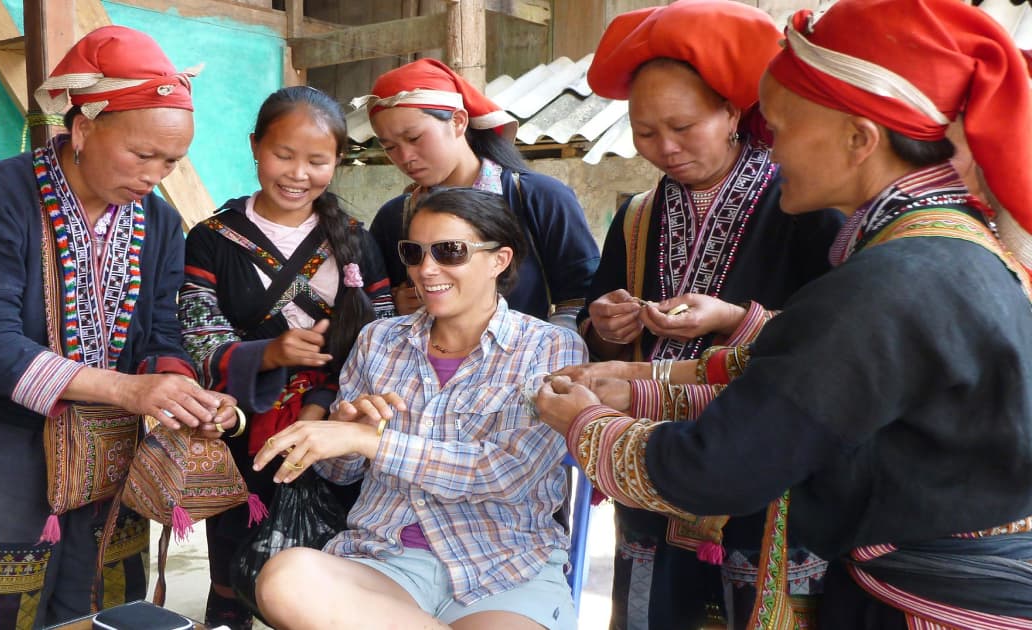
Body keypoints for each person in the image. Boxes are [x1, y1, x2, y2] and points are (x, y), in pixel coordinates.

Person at [537, 0, 1032, 627]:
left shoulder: (893, 280)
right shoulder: (944, 250)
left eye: (783, 125)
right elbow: (806, 374)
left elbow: (719, 469)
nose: (772, 145)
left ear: (860, 138)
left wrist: (585, 423)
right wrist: (640, 382)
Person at [0, 26, 243, 629]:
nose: (156, 174)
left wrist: (180, 392)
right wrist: (128, 390)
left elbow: (160, 331)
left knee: (95, 598)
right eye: (142, 154)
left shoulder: (156, 220)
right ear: (82, 129)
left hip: (107, 449)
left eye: (172, 161)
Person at [573, 2, 843, 627]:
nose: (662, 148)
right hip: (650, 465)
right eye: (644, 131)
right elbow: (601, 319)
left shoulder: (803, 204)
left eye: (683, 126)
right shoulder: (637, 215)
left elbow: (841, 344)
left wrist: (732, 319)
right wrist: (608, 326)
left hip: (765, 475)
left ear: (731, 112)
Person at [251, 187, 586, 630]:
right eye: (414, 252)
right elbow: (341, 475)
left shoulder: (551, 347)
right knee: (284, 578)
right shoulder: (378, 340)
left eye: (450, 252)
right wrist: (350, 434)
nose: (426, 270)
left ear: (499, 260)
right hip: (383, 562)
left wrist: (373, 441)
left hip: (507, 568)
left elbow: (504, 474)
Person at [179, 85, 394, 629]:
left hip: (340, 430)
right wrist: (268, 352)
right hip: (244, 427)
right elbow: (197, 336)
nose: (298, 173)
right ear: (255, 146)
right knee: (236, 553)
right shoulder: (212, 239)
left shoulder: (355, 241)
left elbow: (388, 339)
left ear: (338, 161)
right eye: (283, 154)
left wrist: (327, 404)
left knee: (331, 562)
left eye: (318, 160)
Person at [356, 58, 600, 327]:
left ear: (458, 121)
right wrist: (394, 305)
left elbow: (584, 299)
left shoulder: (540, 198)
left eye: (414, 138)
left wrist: (547, 348)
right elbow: (369, 300)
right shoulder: (395, 217)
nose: (404, 157)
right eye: (389, 147)